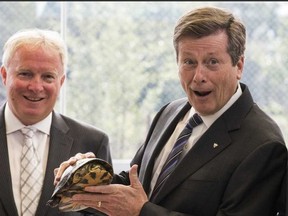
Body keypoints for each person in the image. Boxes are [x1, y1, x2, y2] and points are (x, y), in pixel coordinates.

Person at [54, 6, 288, 216]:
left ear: (239, 66)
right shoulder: (170, 111)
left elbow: (139, 206)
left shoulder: (263, 145)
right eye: (189, 62)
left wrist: (142, 212)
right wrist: (85, 178)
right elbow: (135, 185)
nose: (198, 77)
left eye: (212, 62)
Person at [0, 28, 112, 216]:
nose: (36, 87)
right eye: (25, 74)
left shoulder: (93, 142)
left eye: (48, 77)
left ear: (61, 82)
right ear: (4, 75)